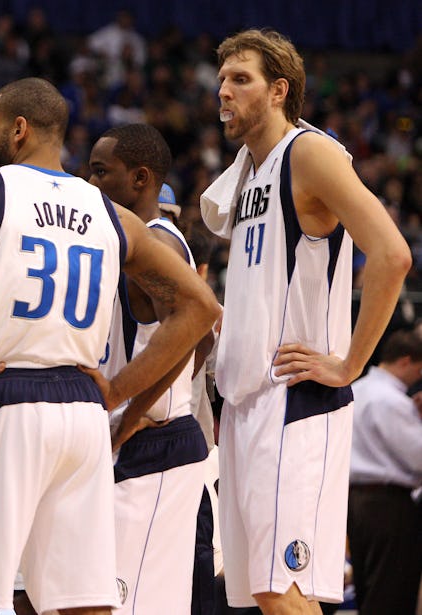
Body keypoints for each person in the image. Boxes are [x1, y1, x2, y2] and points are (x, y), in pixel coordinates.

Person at [0, 77, 220, 615]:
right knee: (80, 602)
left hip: (2, 403)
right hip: (82, 417)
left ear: (18, 130)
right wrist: (116, 390)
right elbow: (201, 307)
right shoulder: (112, 214)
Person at [200, 29, 411, 614]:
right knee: (264, 592)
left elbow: (392, 255)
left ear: (278, 91)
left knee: (282, 589)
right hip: (245, 402)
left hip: (295, 398)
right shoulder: (248, 170)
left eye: (241, 79)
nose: (224, 91)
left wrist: (350, 365)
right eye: (222, 79)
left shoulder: (309, 153)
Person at [89, 123, 211, 615]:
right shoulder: (123, 242)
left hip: (153, 444)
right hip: (128, 439)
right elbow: (201, 340)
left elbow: (197, 328)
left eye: (102, 172)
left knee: (131, 605)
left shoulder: (159, 244)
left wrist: (136, 406)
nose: (91, 183)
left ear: (140, 179)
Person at [348, 328, 422, 615]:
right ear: (405, 361)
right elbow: (418, 457)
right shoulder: (391, 400)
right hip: (388, 504)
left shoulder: (356, 389)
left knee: (368, 587)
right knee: (391, 592)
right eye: (419, 369)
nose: (418, 377)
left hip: (355, 501)